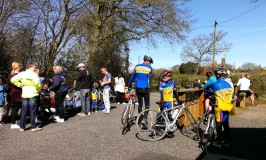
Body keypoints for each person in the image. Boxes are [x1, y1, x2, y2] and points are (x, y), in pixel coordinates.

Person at [11, 63, 42, 132]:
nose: (35, 68)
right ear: (30, 67)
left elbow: (13, 80)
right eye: (34, 67)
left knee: (24, 110)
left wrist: (20, 84)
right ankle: (33, 127)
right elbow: (38, 83)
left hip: (25, 93)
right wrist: (39, 88)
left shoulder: (22, 73)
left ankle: (22, 127)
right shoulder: (34, 74)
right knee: (32, 110)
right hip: (33, 93)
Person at [211, 68, 234, 147]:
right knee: (226, 124)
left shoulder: (215, 84)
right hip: (227, 107)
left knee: (219, 124)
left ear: (217, 75)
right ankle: (227, 141)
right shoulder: (229, 84)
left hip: (219, 108)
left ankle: (218, 141)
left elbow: (208, 92)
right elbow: (232, 96)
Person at [8, 61, 22, 129]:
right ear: (16, 67)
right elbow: (11, 84)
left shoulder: (14, 74)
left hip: (18, 93)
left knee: (18, 108)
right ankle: (13, 123)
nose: (20, 67)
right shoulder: (12, 75)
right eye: (19, 66)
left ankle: (16, 121)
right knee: (15, 108)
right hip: (16, 93)